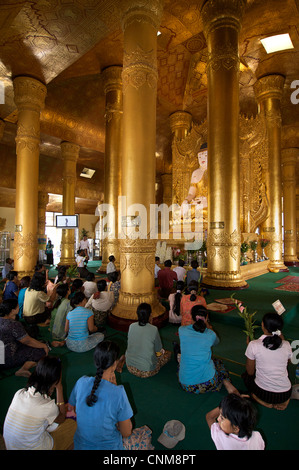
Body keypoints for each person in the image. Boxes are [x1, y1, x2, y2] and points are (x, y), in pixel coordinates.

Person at [68, 340, 133, 450]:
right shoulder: (118, 392)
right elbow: (126, 433)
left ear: (95, 361)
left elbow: (71, 407)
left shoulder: (81, 382)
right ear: (115, 363)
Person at [3, 356, 76, 450]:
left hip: (11, 447)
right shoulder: (47, 406)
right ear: (55, 380)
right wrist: (59, 387)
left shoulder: (20, 393)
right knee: (72, 426)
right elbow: (61, 418)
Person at [178, 304, 238, 394]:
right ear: (206, 318)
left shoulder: (182, 330)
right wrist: (209, 327)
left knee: (181, 363)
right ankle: (226, 382)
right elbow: (216, 342)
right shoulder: (211, 334)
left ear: (191, 316)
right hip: (209, 383)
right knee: (218, 363)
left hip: (186, 385)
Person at [243, 312, 293, 410]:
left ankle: (262, 401)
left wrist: (250, 348)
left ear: (262, 325)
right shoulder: (286, 344)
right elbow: (289, 362)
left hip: (263, 393)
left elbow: (250, 372)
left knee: (246, 377)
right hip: (285, 394)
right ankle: (283, 404)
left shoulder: (253, 344)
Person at [0, 299, 49, 377]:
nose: (19, 307)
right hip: (5, 359)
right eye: (17, 306)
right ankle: (23, 369)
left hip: (3, 354)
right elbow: (27, 341)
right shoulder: (13, 324)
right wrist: (44, 346)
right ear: (13, 310)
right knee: (41, 349)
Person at [125, 303, 171, 378]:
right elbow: (158, 350)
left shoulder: (131, 326)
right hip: (147, 370)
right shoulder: (153, 329)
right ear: (150, 315)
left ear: (137, 314)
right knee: (167, 354)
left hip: (130, 366)